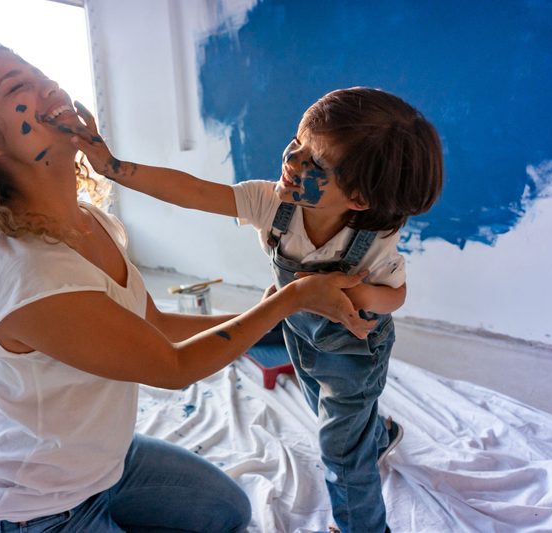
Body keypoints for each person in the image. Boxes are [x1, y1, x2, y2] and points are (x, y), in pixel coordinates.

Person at [0, 35, 378, 533]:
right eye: (18, 87)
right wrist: (287, 302)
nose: (47, 85)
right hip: (35, 510)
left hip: (107, 467)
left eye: (38, 72)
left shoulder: (89, 221)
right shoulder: (27, 270)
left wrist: (276, 316)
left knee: (229, 513)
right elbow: (174, 366)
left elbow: (155, 324)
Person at [72, 87, 444, 532]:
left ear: (359, 199)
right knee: (326, 412)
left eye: (314, 163)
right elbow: (191, 191)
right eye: (297, 141)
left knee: (340, 450)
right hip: (299, 333)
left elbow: (395, 295)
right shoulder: (272, 203)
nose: (292, 160)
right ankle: (377, 434)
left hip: (352, 349)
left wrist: (357, 298)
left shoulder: (373, 243)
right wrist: (112, 167)